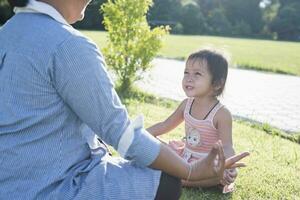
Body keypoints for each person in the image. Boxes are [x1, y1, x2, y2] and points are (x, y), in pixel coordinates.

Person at [0, 0, 249, 199]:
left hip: (9, 181)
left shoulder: (5, 33)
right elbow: (120, 133)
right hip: (51, 187)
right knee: (168, 180)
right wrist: (191, 170)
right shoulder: (68, 45)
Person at [147, 49, 239, 193]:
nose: (189, 78)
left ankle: (183, 178)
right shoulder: (186, 105)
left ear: (217, 84)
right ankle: (180, 175)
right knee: (153, 147)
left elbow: (227, 146)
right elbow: (165, 125)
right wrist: (142, 135)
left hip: (207, 163)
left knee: (216, 175)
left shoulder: (221, 114)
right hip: (185, 155)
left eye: (197, 74)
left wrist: (227, 166)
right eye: (186, 73)